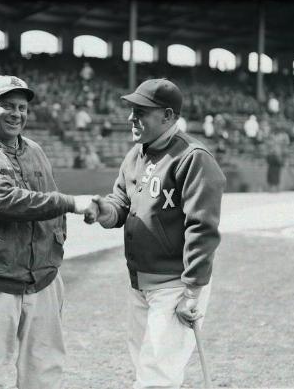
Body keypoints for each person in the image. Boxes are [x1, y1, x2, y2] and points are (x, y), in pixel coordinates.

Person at [0, 75, 96, 389]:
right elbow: (6, 202)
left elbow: (49, 199)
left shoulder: (35, 151)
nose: (17, 113)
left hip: (42, 280)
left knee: (43, 374)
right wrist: (71, 203)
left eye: (22, 106)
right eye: (7, 105)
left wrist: (56, 245)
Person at [85, 78, 226, 389]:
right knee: (145, 368)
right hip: (140, 282)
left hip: (175, 284)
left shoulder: (193, 157)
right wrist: (103, 210)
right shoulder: (136, 154)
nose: (131, 118)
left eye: (141, 112)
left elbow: (202, 229)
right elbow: (121, 202)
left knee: (156, 377)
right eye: (132, 110)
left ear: (168, 116)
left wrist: (192, 293)